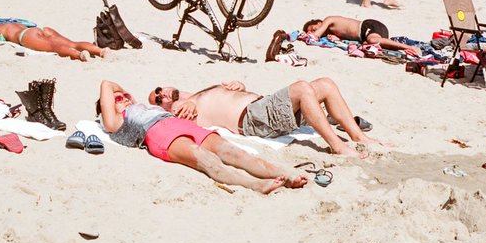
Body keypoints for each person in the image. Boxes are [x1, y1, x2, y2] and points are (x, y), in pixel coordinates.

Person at [97, 81, 308, 194]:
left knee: (235, 153)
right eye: (119, 99)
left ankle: (283, 174)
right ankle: (255, 185)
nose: (126, 98)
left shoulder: (142, 107)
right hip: (157, 132)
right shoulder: (116, 121)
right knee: (208, 160)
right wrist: (116, 97)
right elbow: (107, 84)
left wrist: (126, 97)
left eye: (126, 96)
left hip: (179, 123)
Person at [148, 78, 373, 158]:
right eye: (158, 100)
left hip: (263, 107)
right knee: (302, 88)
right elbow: (182, 124)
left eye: (158, 90)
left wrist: (239, 86)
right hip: (254, 119)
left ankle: (359, 137)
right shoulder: (179, 108)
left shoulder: (196, 94)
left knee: (326, 84)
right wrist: (185, 107)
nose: (161, 95)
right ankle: (337, 146)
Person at [302, 15, 411, 54]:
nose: (314, 31)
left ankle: (410, 47)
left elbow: (315, 36)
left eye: (313, 28)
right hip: (365, 36)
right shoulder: (332, 32)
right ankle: (400, 48)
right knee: (369, 45)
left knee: (372, 40)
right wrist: (336, 39)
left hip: (368, 26)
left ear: (319, 23)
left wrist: (308, 35)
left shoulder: (328, 20)